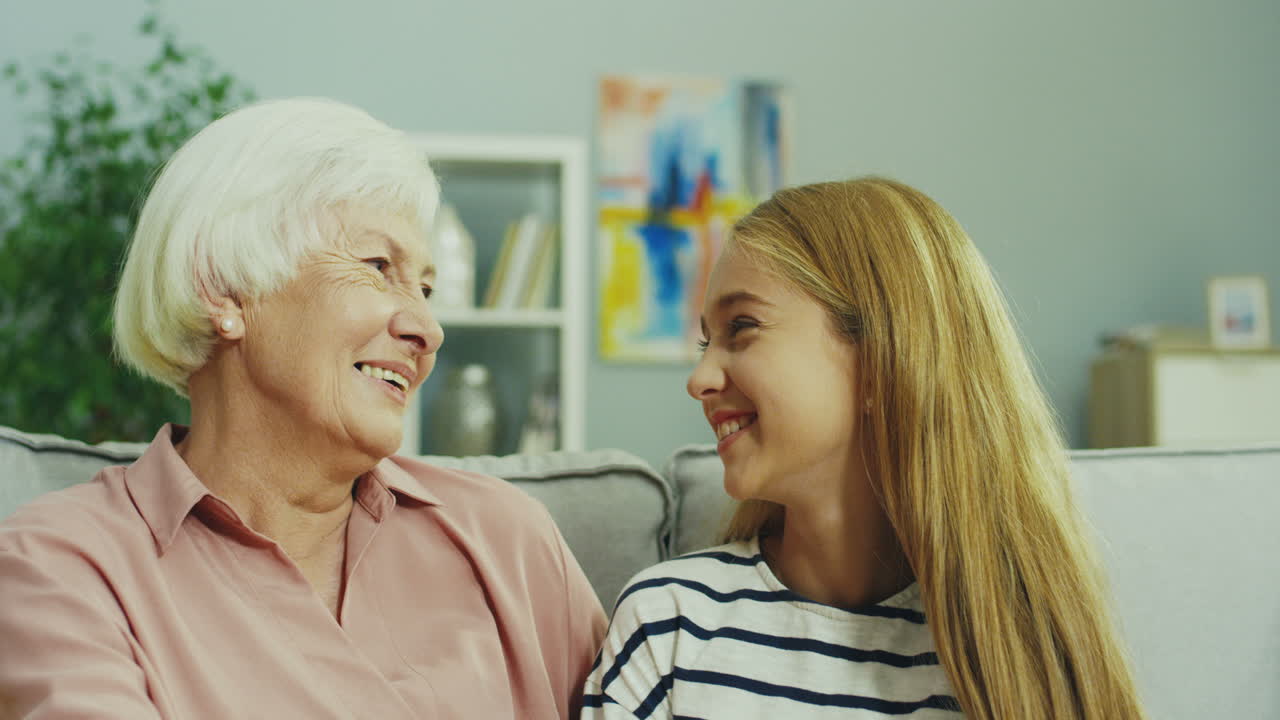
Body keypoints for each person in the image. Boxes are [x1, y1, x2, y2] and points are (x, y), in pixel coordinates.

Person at [0, 97, 605, 719]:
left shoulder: (509, 539)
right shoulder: (59, 566)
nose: (429, 328)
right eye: (377, 267)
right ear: (224, 290)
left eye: (425, 289)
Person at [582, 178, 1146, 719]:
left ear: (883, 362)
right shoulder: (669, 625)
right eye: (708, 341)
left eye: (743, 327)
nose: (700, 377)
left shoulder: (1027, 651)